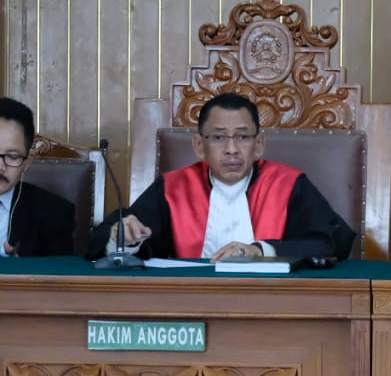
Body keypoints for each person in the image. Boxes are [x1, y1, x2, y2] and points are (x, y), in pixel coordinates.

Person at [86, 92, 355, 261]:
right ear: (198, 145)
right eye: (218, 138)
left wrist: (261, 251)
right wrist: (124, 237)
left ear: (259, 144)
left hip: (275, 302)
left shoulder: (287, 184)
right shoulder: (174, 188)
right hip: (189, 304)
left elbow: (329, 243)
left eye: (242, 137)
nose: (231, 149)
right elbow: (113, 240)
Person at [0, 97, 75, 257]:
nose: (0, 166)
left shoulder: (55, 214)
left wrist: (24, 268)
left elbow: (59, 270)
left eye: (12, 156)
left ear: (27, 162)